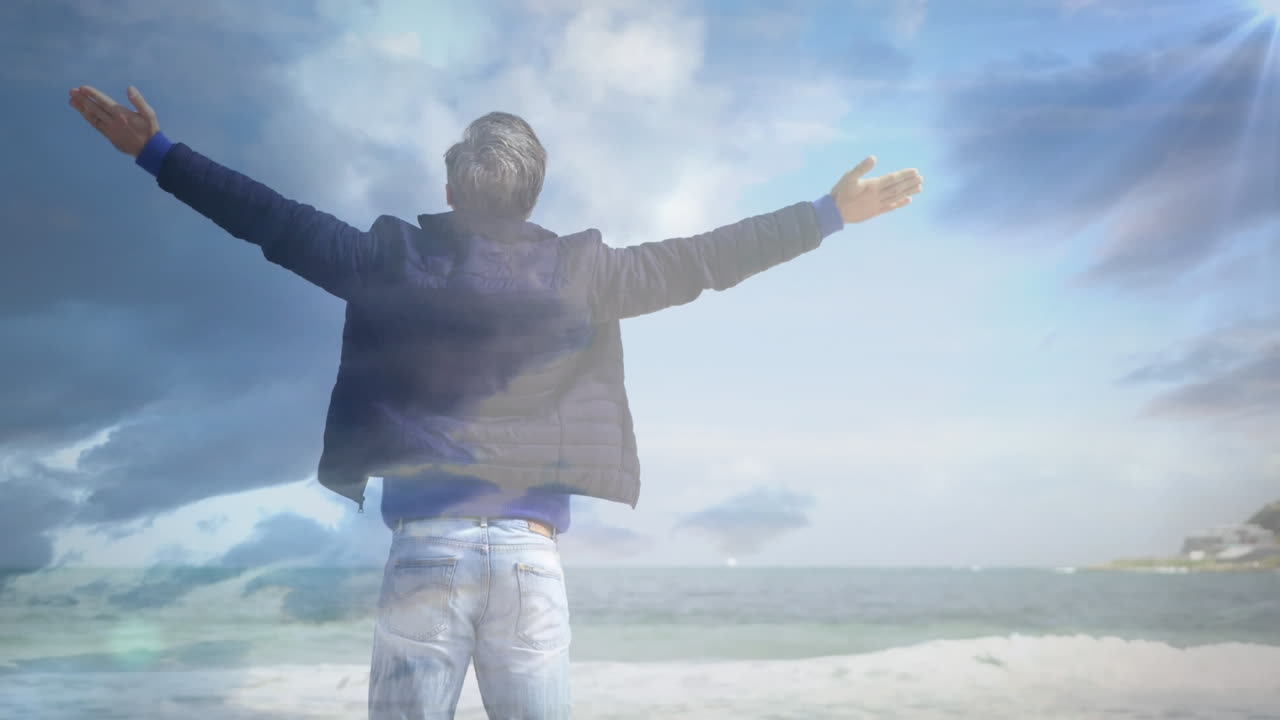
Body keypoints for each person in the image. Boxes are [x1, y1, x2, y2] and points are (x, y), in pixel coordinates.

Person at [68, 84, 924, 719]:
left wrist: (159, 153)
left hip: (424, 555)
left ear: (451, 188)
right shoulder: (588, 274)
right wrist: (827, 213)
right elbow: (709, 257)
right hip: (528, 560)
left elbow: (272, 220)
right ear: (534, 191)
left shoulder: (388, 258)